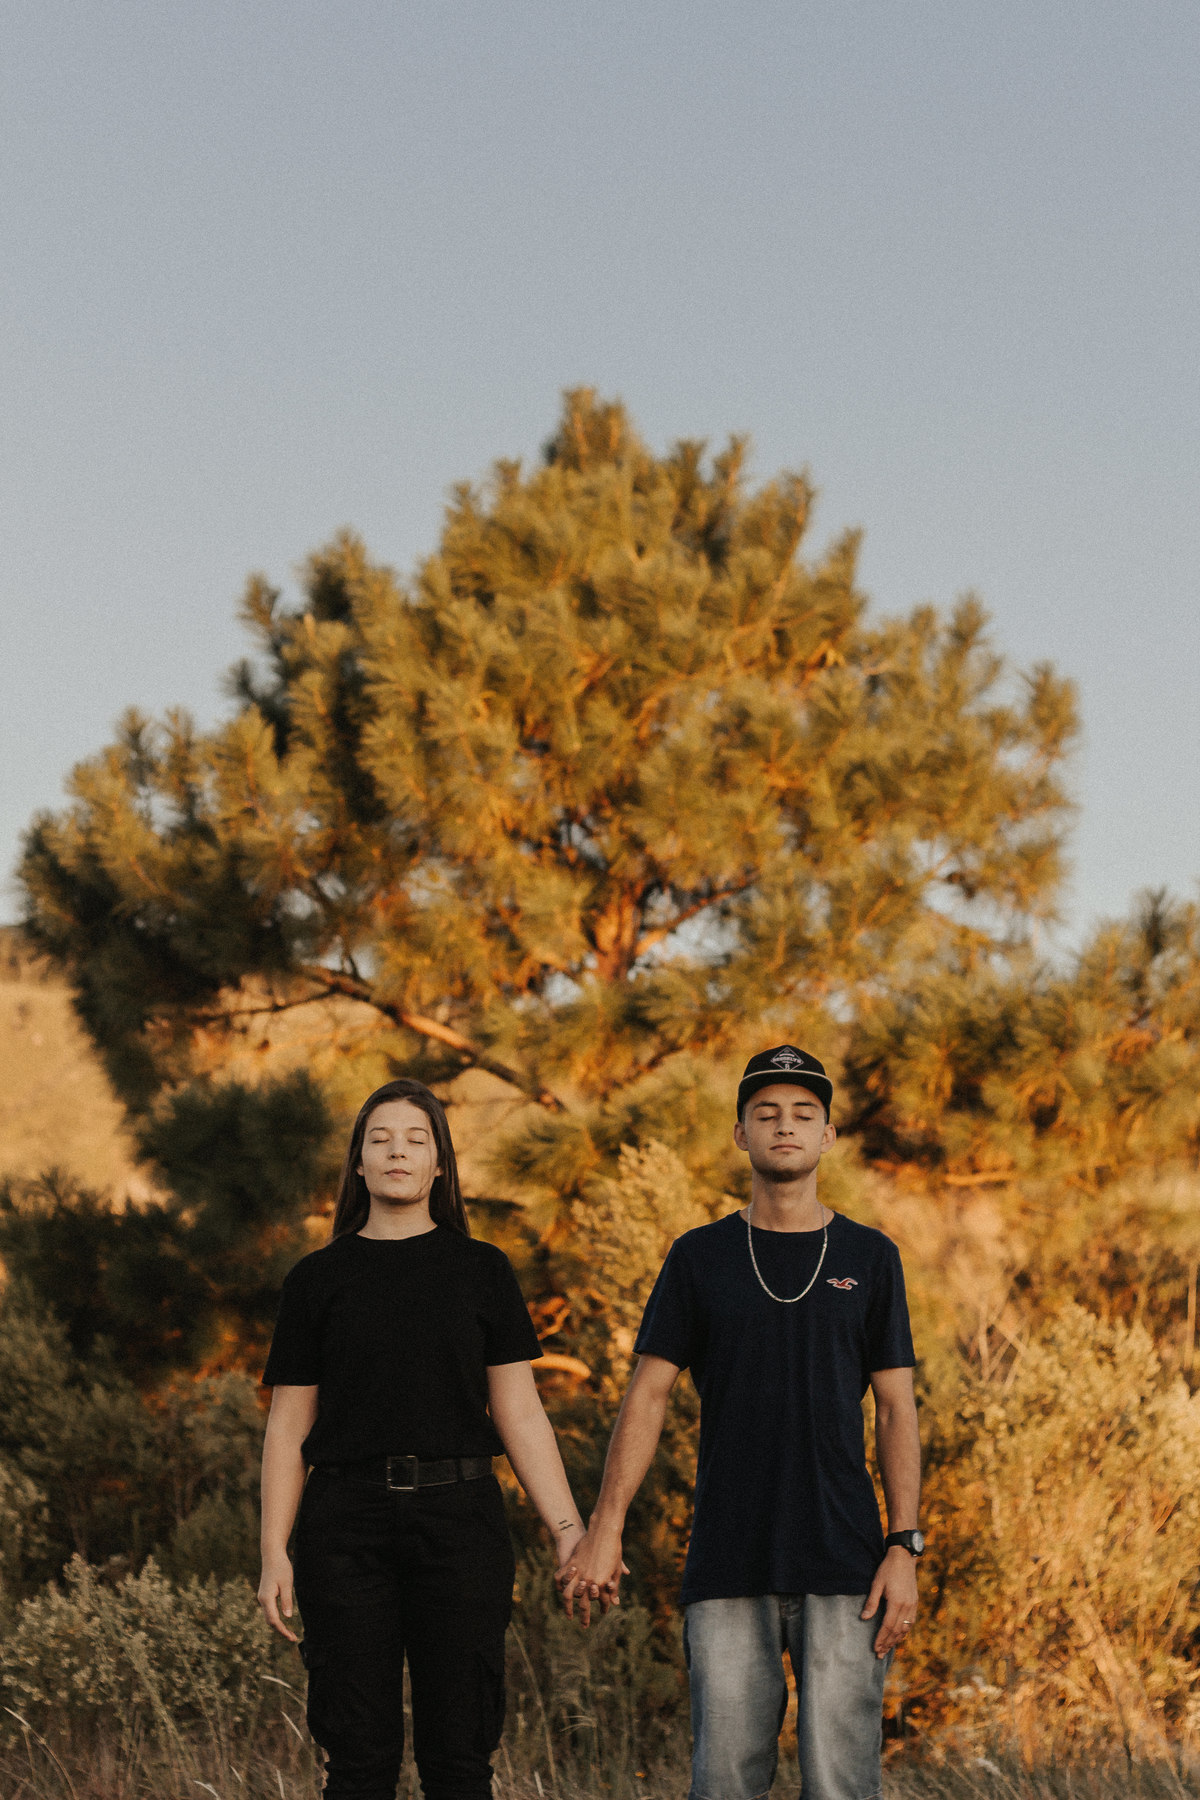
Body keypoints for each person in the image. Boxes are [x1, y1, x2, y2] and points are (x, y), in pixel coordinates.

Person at [559, 1047, 921, 1800]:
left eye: (803, 1114)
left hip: (846, 1565)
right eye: (767, 1114)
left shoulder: (871, 1257)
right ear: (740, 1135)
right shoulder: (700, 1257)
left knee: (842, 1785)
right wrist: (605, 1526)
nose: (785, 1126)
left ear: (827, 1136)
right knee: (723, 1782)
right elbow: (646, 1396)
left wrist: (904, 1547)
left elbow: (895, 1409)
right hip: (728, 1560)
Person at [257, 1077, 588, 1800]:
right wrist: (273, 1549)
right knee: (357, 1762)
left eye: (416, 1139)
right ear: (358, 1162)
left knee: (460, 1759)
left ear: (440, 1164)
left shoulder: (483, 1270)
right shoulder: (317, 1279)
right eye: (380, 1139)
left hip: (460, 1523)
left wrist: (569, 1531)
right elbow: (287, 1426)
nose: (397, 1152)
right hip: (344, 1529)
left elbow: (521, 1414)